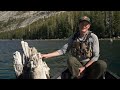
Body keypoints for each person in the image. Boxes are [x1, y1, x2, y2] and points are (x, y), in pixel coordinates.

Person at [41, 16, 107, 79]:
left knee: (102, 64)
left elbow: (95, 56)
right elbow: (62, 51)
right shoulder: (73, 37)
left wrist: (85, 67)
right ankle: (79, 77)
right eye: (82, 23)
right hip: (77, 65)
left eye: (86, 24)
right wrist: (46, 55)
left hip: (89, 64)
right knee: (70, 59)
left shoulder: (93, 37)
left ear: (89, 26)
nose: (84, 25)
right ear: (78, 25)